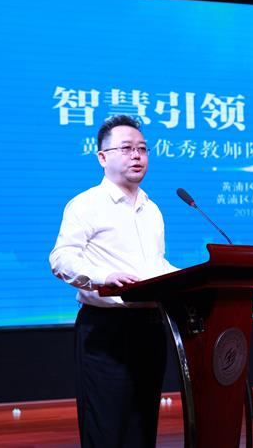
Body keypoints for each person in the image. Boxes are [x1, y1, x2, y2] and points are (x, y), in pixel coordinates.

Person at [49, 114, 177, 448]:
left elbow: (153, 264)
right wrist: (103, 277)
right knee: (107, 428)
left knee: (142, 426)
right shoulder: (85, 205)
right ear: (102, 157)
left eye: (142, 149)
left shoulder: (152, 209)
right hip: (106, 330)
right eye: (127, 148)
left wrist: (183, 279)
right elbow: (61, 258)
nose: (137, 156)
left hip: (150, 327)